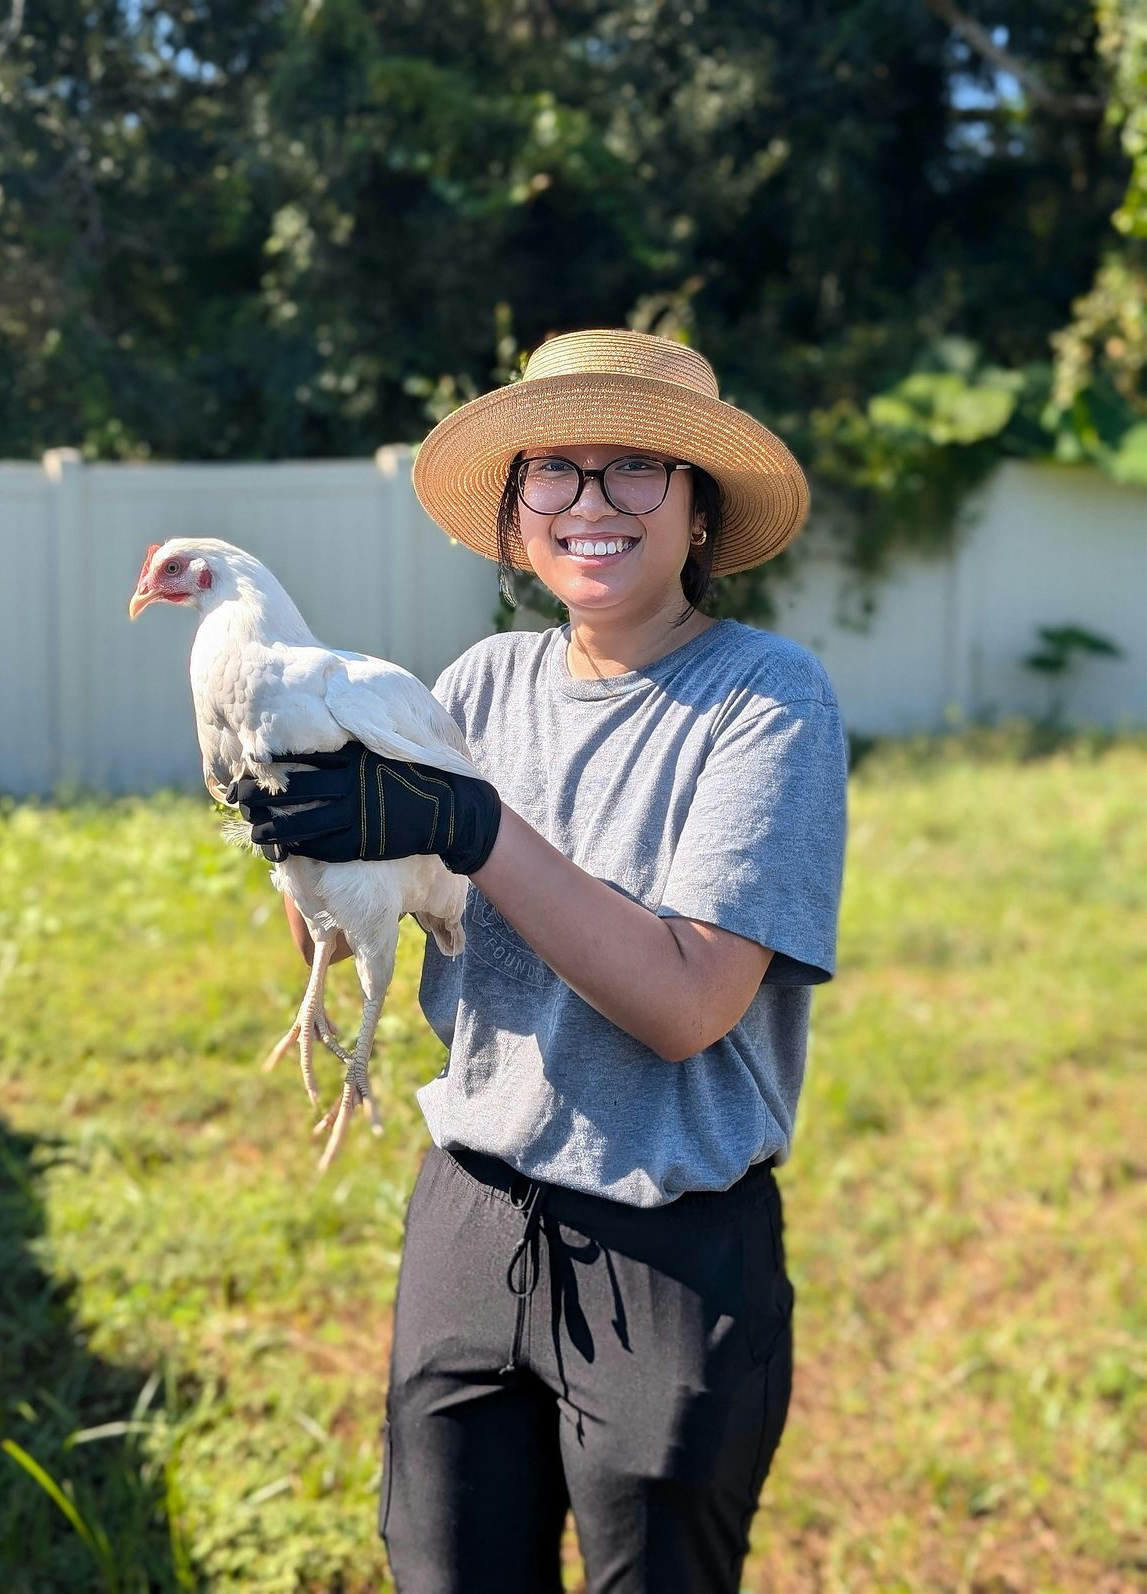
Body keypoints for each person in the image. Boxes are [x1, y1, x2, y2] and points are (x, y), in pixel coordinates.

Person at [234, 328, 849, 1593]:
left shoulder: (765, 699)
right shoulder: (477, 682)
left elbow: (687, 1005)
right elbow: (379, 933)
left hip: (670, 1248)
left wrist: (473, 825)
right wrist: (311, 855)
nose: (591, 504)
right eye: (553, 473)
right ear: (516, 516)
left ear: (698, 506)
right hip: (470, 1208)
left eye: (636, 470)